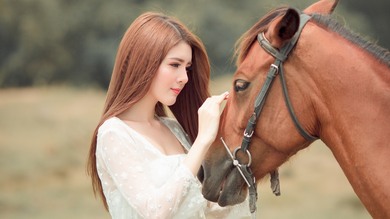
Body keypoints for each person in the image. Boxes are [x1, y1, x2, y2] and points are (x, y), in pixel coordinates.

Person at [87, 12, 250, 219]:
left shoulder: (173, 129)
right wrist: (202, 141)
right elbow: (154, 212)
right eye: (175, 65)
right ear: (143, 62)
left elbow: (207, 209)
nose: (183, 78)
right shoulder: (114, 133)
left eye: (187, 68)